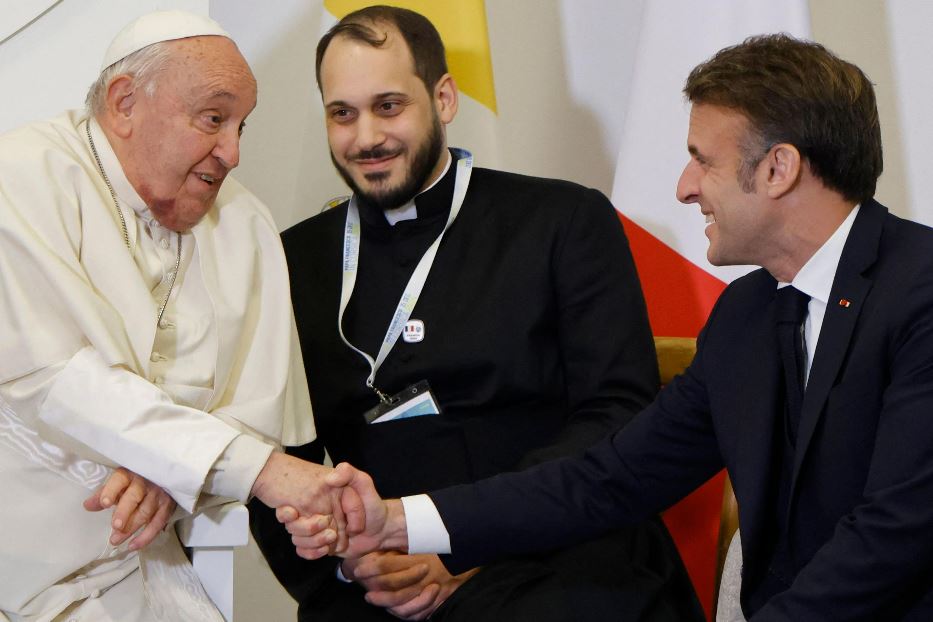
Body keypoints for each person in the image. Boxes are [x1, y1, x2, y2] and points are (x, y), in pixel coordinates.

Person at [286, 34, 933, 620]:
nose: (683, 188)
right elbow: (608, 477)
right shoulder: (745, 317)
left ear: (777, 168)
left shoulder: (920, 293)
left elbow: (895, 530)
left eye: (700, 160)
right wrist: (399, 519)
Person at [250, 5, 702, 622]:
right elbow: (276, 454)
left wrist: (460, 538)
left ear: (443, 98)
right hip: (382, 582)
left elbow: (617, 415)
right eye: (342, 114)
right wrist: (344, 563)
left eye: (388, 106)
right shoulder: (292, 260)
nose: (365, 138)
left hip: (558, 558)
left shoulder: (563, 222)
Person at [0, 11, 355, 621]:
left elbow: (260, 405)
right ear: (124, 102)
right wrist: (255, 470)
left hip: (143, 553)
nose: (234, 152)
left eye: (242, 126)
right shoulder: (23, 175)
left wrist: (172, 473)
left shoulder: (244, 223)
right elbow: (49, 376)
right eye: (214, 119)